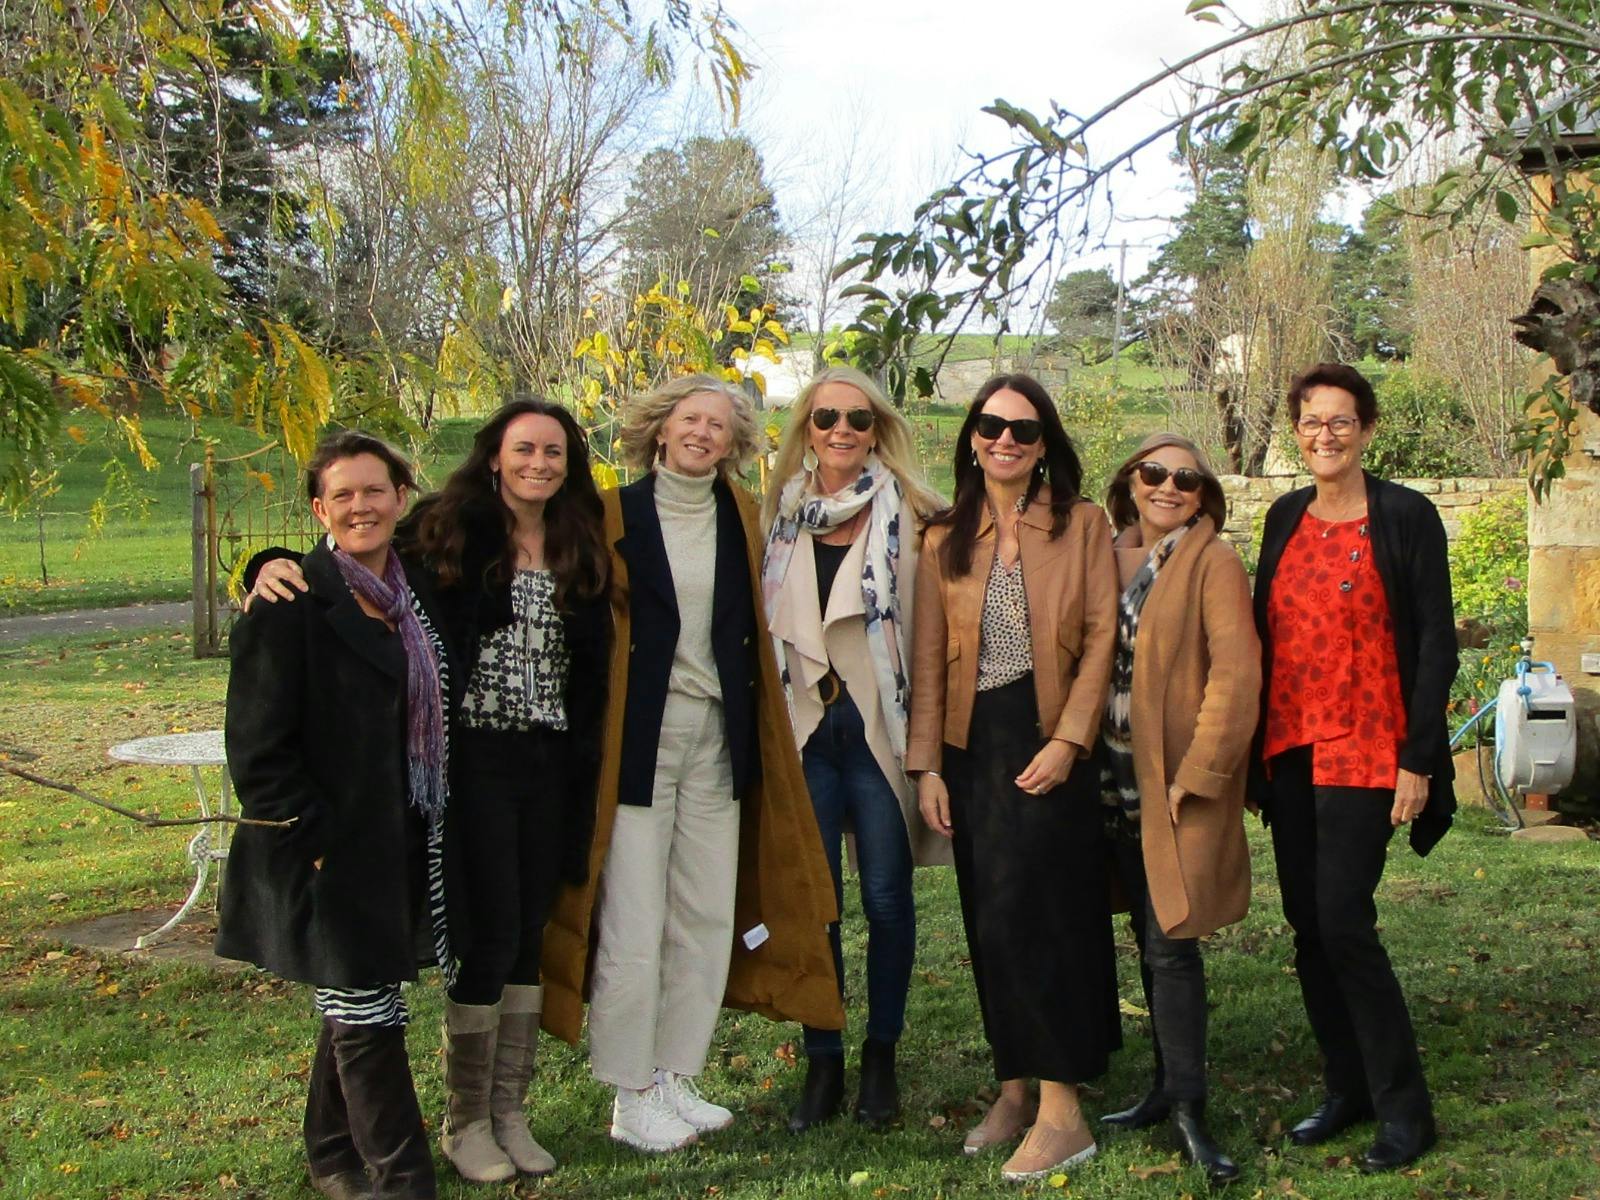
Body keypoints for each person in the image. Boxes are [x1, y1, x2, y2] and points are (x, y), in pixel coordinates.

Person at [244, 399, 613, 1184]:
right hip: (467, 766)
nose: (538, 462)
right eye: (523, 448)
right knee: (484, 932)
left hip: (551, 766)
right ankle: (464, 1122)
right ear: (493, 456)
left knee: (526, 935)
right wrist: (262, 563)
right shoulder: (452, 530)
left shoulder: (582, 538)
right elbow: (341, 559)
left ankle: (504, 1113)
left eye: (554, 450)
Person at [539, 374, 844, 1154]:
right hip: (639, 742)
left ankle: (674, 1071)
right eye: (692, 419)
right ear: (660, 427)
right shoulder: (612, 511)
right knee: (635, 916)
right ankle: (628, 1089)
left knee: (706, 913)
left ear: (734, 444)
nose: (704, 432)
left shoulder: (740, 514)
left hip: (719, 739)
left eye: (720, 425)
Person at [219, 432, 447, 1200]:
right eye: (343, 495)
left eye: (374, 491)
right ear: (319, 508)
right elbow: (256, 748)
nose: (361, 506)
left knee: (358, 993)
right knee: (365, 1007)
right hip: (325, 845)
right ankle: (401, 1179)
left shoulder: (420, 594)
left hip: (403, 835)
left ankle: (329, 1152)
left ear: (400, 498)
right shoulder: (291, 603)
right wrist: (308, 839)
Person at [908, 373, 1120, 1182]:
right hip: (972, 747)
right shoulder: (943, 536)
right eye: (992, 425)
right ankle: (1014, 1085)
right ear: (971, 437)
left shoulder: (1082, 524)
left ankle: (1065, 1110)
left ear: (1043, 447)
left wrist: (1071, 740)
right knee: (990, 916)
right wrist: (927, 763)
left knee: (1050, 917)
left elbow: (1102, 639)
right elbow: (929, 656)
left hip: (1049, 737)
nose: (1006, 439)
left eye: (1024, 431)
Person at [1253, 362, 1458, 1173]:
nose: (1325, 435)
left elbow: (1435, 642)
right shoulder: (1283, 517)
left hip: (1369, 747)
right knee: (1308, 929)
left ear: (1366, 429)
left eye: (1341, 421)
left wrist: (1420, 760)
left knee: (1343, 921)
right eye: (1311, 421)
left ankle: (1407, 1110)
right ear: (1296, 432)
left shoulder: (1404, 515)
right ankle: (1348, 1088)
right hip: (1291, 746)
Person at [760, 366, 948, 1132]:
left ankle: (881, 1057)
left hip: (879, 729)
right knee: (819, 905)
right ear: (806, 425)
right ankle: (824, 1058)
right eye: (827, 417)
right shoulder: (778, 514)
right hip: (805, 728)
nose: (842, 431)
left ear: (878, 431)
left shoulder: (916, 514)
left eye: (858, 420)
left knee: (885, 900)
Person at [1096, 433, 1260, 1185]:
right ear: (1130, 480)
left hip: (1173, 784)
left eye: (1187, 480)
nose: (1168, 488)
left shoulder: (1212, 562)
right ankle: (1163, 1088)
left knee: (1174, 941)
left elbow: (1235, 672)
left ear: (1204, 496)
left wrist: (1201, 772)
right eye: (1154, 474)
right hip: (1111, 777)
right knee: (1146, 931)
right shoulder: (1113, 554)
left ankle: (1191, 1106)